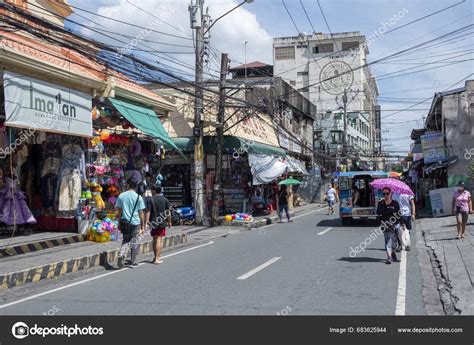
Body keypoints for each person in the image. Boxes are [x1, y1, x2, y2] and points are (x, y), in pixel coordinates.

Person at [116, 178, 146, 268]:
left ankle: (121, 255)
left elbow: (119, 212)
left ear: (128, 185)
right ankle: (132, 261)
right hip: (135, 223)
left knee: (125, 240)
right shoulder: (138, 197)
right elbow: (141, 212)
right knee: (134, 241)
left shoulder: (121, 196)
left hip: (124, 222)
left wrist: (118, 223)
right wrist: (143, 225)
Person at [146, 185, 171, 264]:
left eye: (151, 190)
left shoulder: (151, 200)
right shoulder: (165, 199)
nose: (150, 191)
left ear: (154, 191)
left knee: (154, 239)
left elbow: (148, 211)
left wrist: (147, 221)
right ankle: (157, 258)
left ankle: (155, 257)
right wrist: (169, 221)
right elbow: (168, 212)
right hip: (161, 222)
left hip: (153, 222)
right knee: (159, 239)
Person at [377, 187, 401, 264]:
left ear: (391, 194)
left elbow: (399, 215)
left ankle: (393, 252)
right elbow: (378, 214)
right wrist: (382, 223)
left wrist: (402, 224)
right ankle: (389, 257)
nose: (385, 195)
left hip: (395, 225)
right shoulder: (381, 203)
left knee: (394, 243)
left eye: (387, 193)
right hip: (385, 225)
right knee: (387, 241)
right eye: (384, 194)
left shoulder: (395, 203)